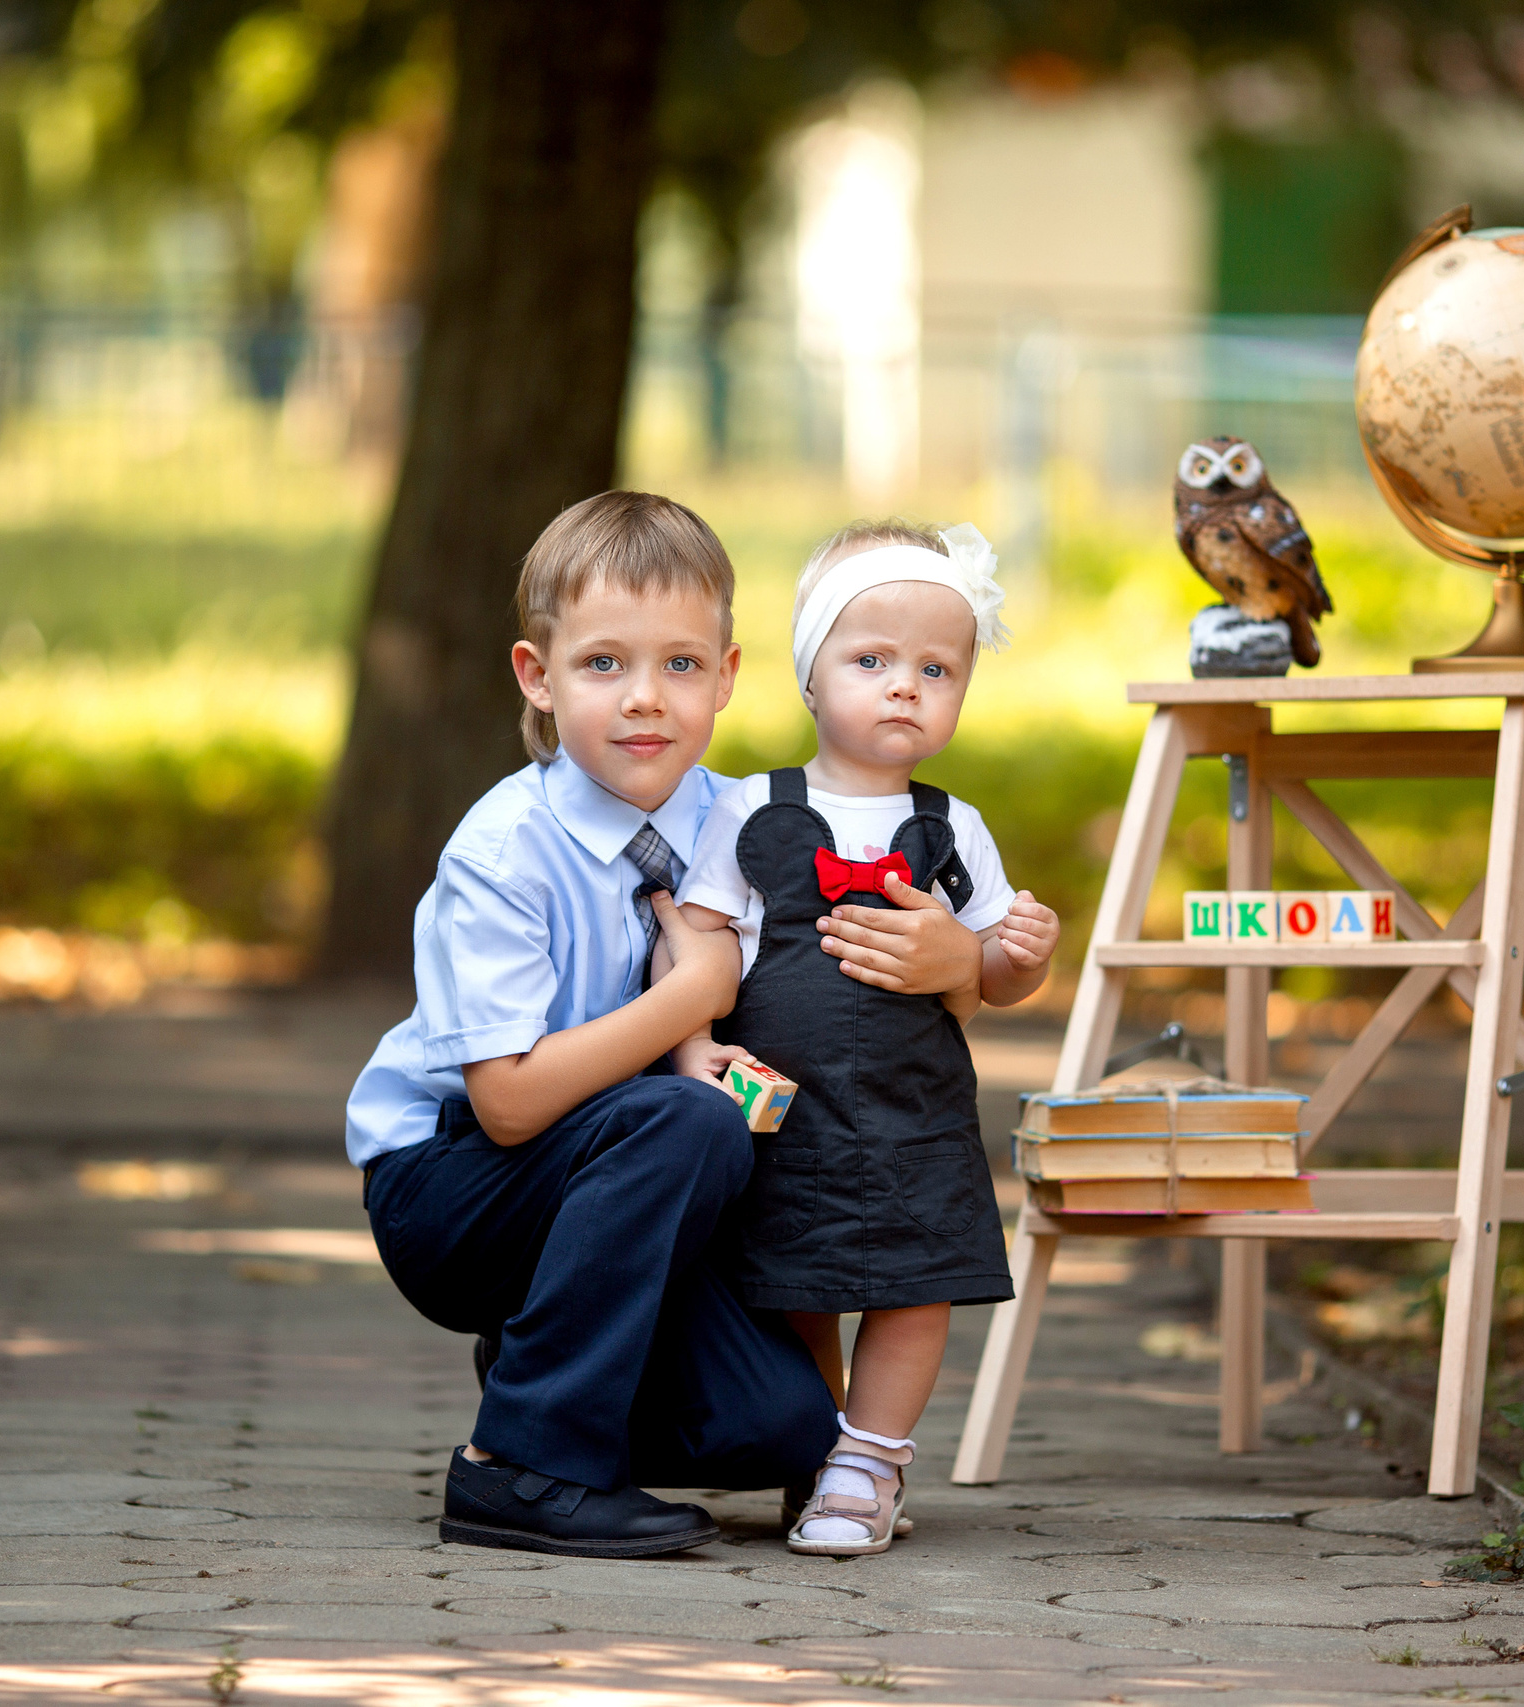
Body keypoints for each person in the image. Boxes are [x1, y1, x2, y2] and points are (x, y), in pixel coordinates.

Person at [346, 492, 985, 1560]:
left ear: (727, 677)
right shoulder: (504, 851)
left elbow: (852, 990)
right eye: (603, 664)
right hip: (456, 1189)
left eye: (680, 664)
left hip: (628, 1182)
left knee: (790, 1428)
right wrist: (693, 996)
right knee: (685, 1119)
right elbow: (508, 1106)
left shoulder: (750, 822)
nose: (645, 698)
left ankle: (550, 1366)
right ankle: (519, 1465)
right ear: (536, 676)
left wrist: (960, 960)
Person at [670, 519, 1062, 1556]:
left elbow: (992, 974)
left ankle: (872, 1461)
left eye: (937, 669)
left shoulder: (952, 827)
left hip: (911, 1112)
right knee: (795, 1286)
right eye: (872, 660)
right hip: (783, 1110)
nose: (904, 688)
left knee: (914, 1283)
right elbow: (698, 938)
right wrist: (690, 1043)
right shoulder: (751, 809)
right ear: (810, 673)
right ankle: (816, 1454)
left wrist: (1014, 956)